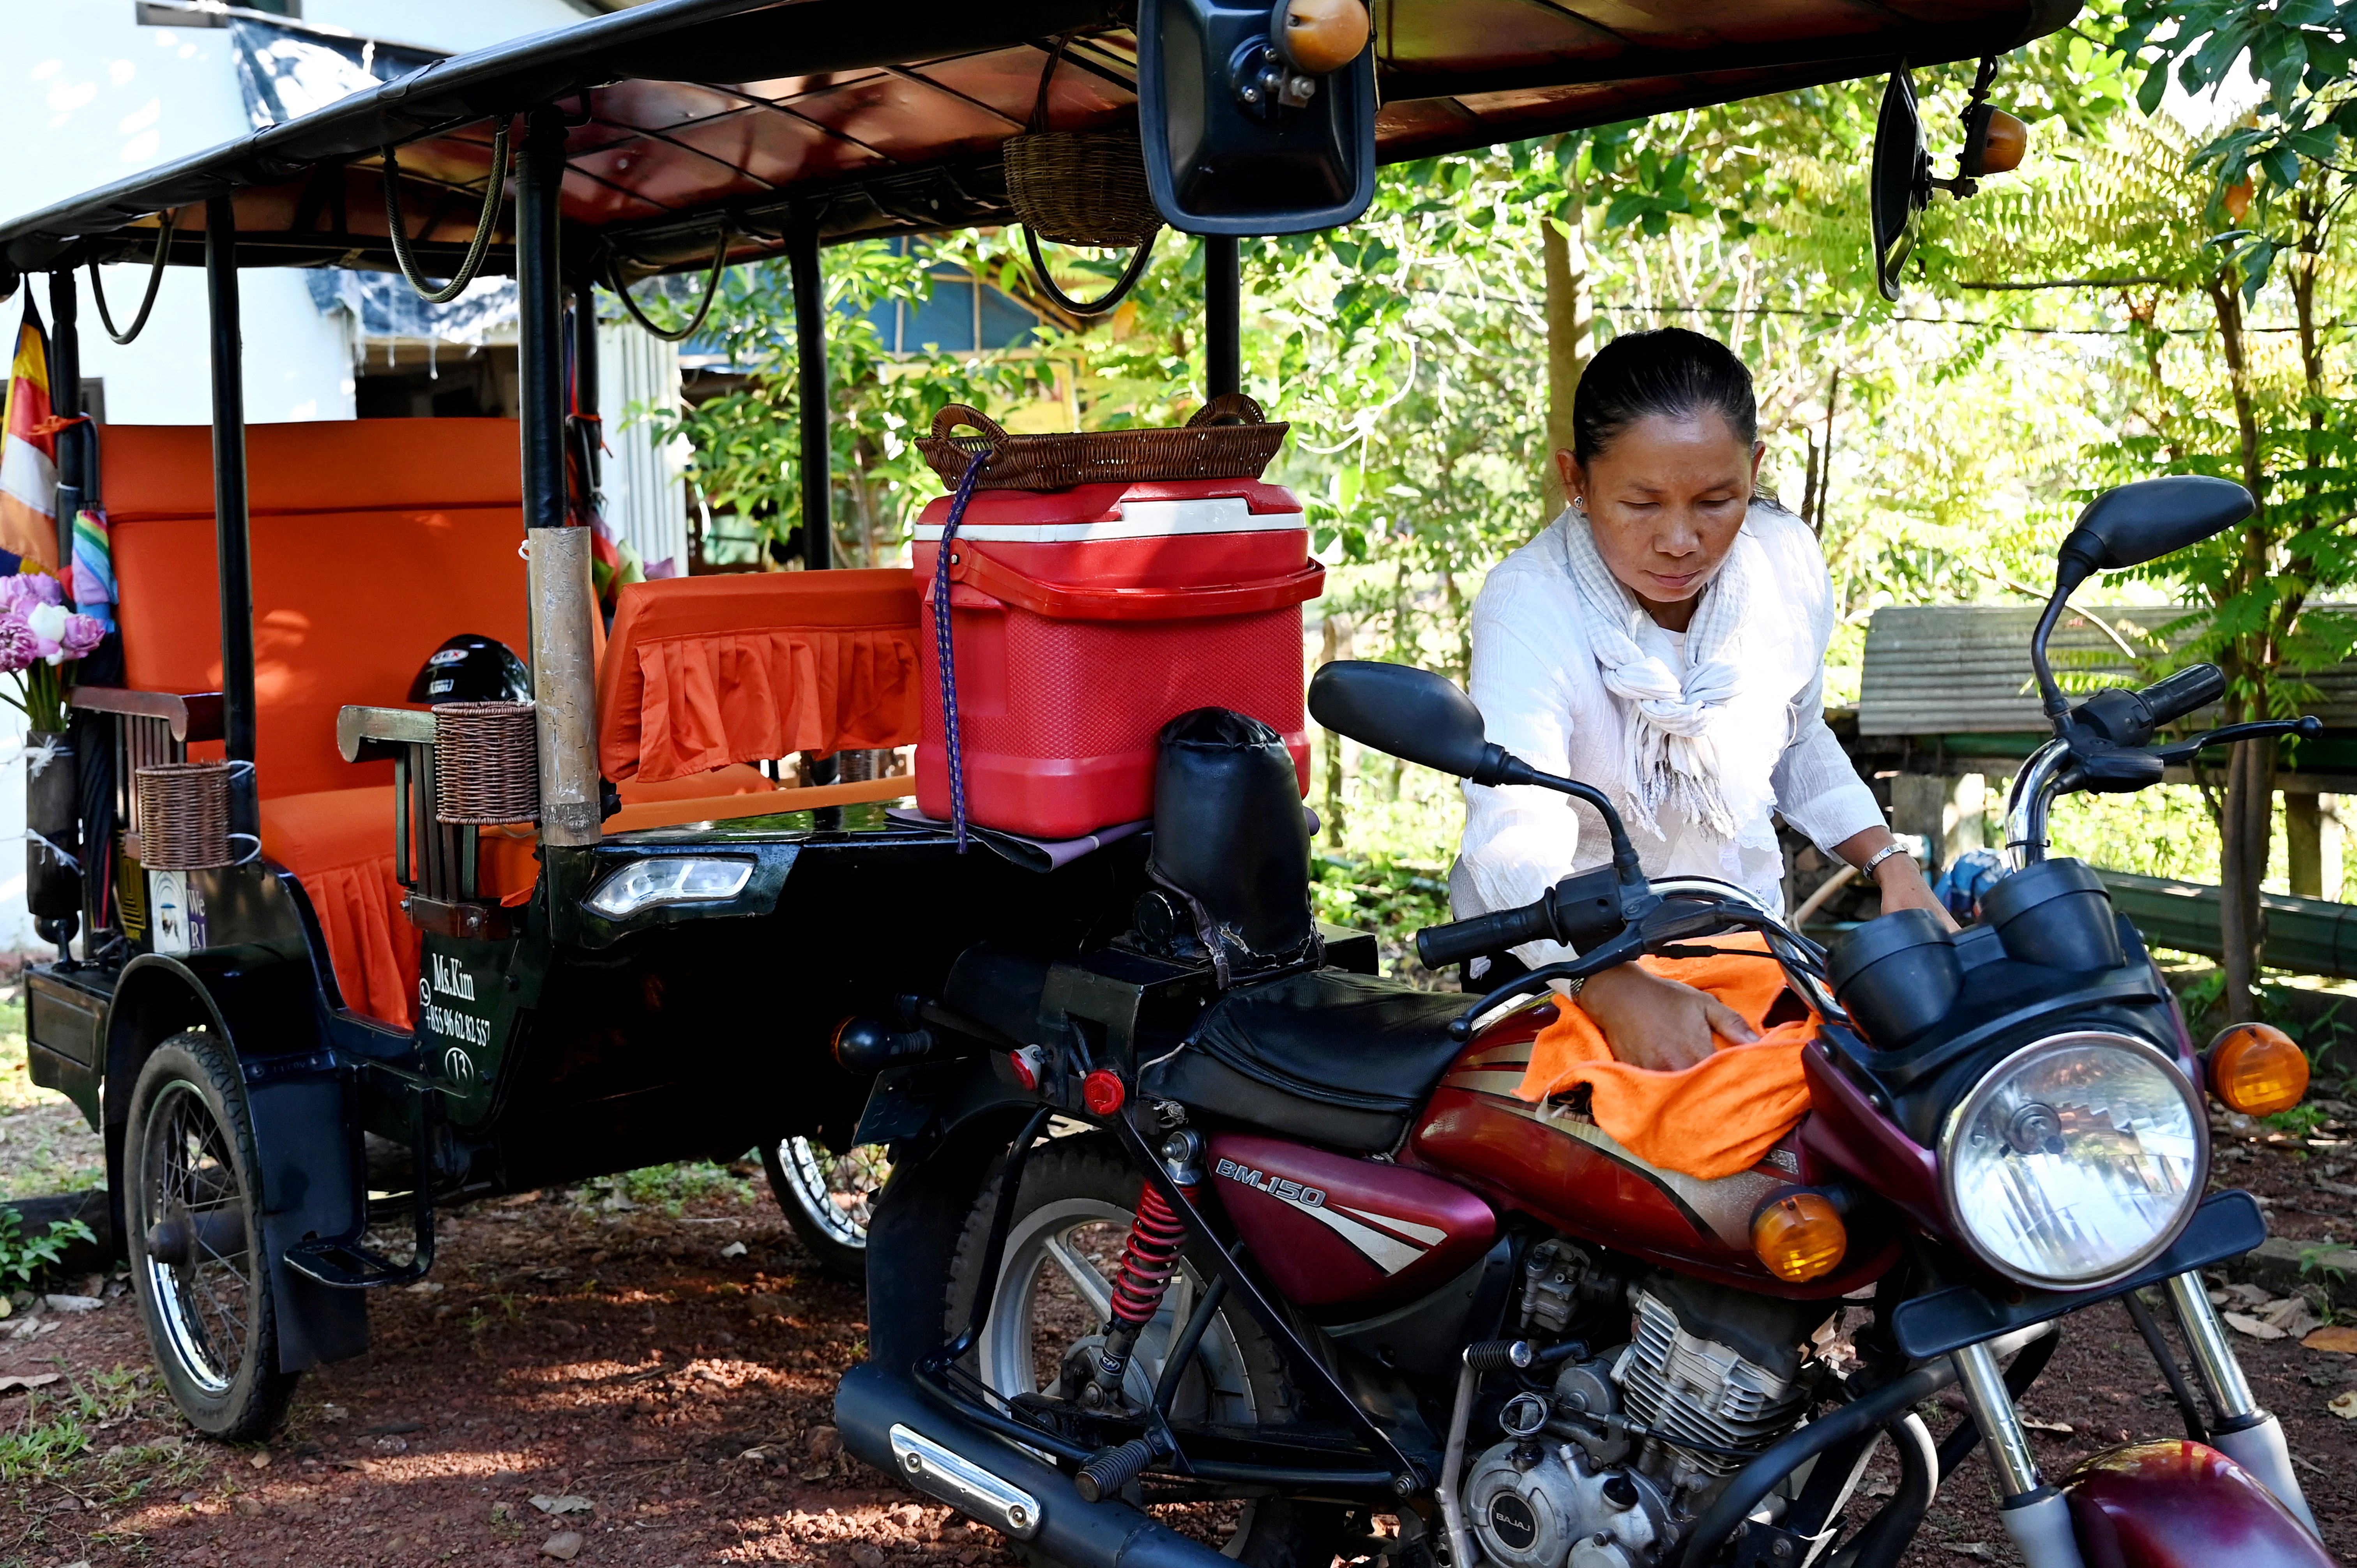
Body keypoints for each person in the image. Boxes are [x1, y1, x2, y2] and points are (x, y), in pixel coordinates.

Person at [1452, 328, 1954, 1072]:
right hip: (1560, 962)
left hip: (1742, 943)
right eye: (1642, 503)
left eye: (1718, 499)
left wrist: (1891, 864)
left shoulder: (1783, 567)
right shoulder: (1531, 604)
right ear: (1576, 481)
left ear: (1753, 471)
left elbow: (1799, 737)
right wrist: (1610, 984)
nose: (1681, 540)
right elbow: (1510, 837)